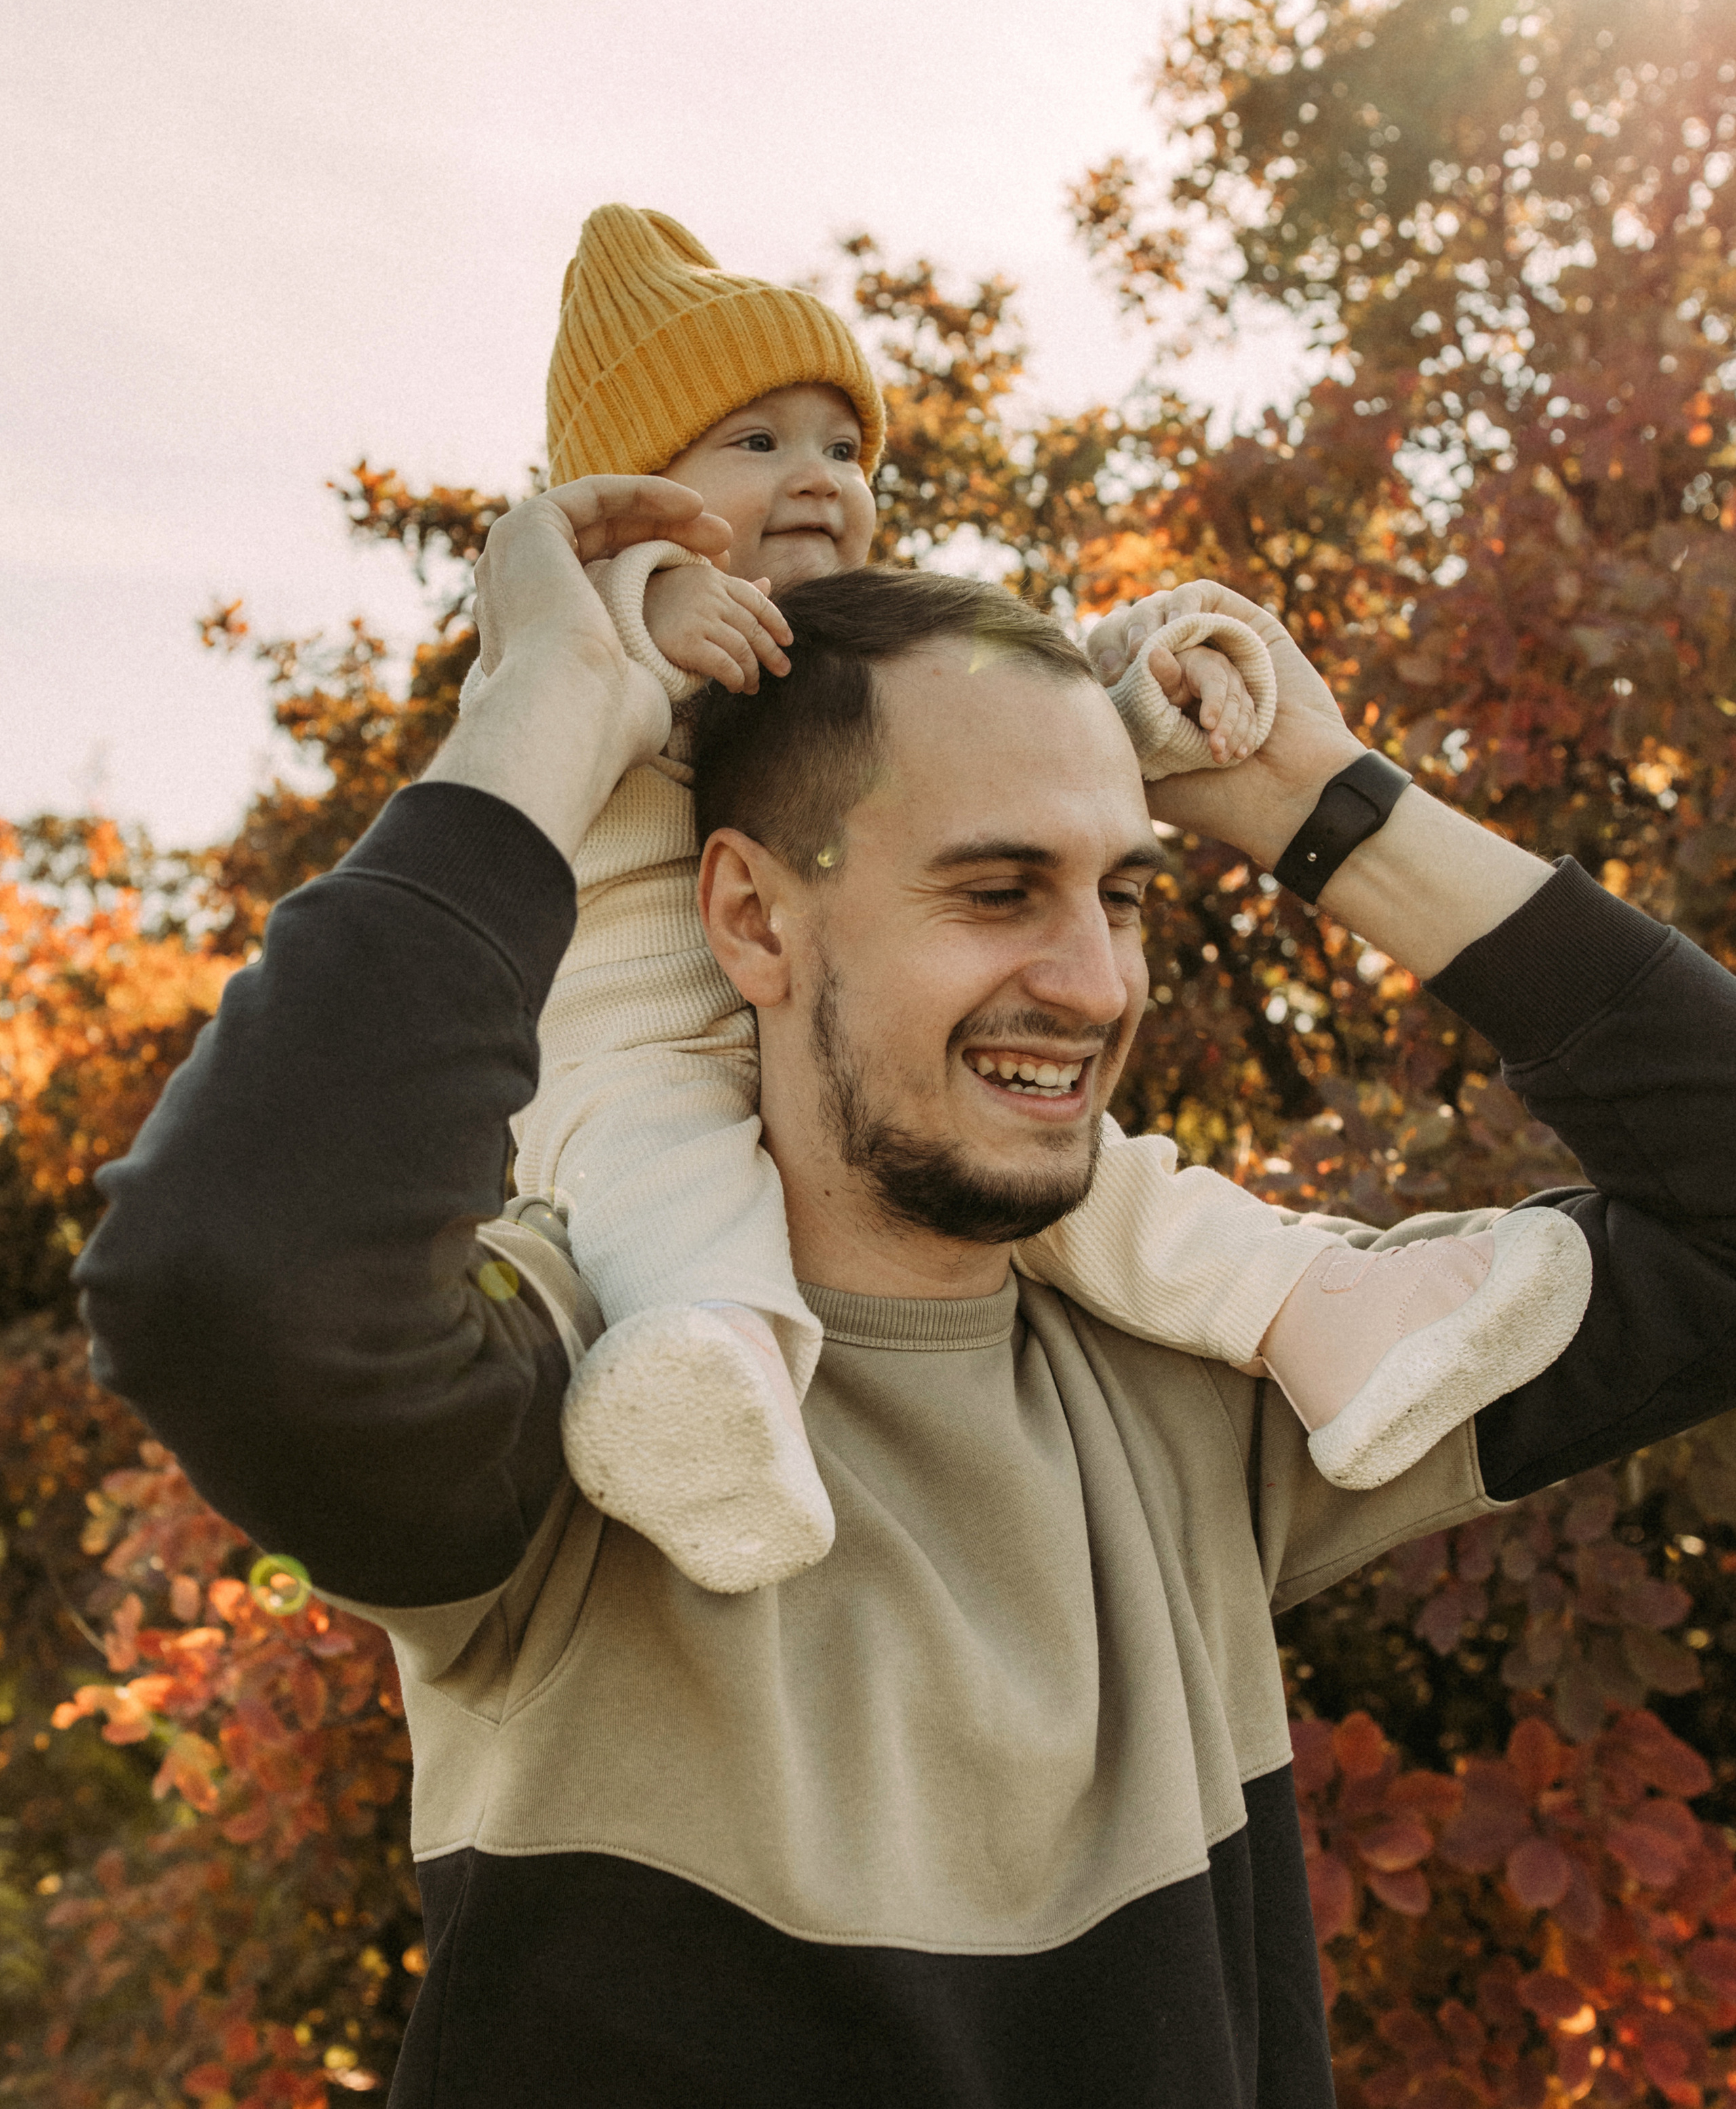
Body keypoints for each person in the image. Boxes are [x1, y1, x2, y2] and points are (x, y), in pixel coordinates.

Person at [75, 492, 1736, 2108]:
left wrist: (1319, 796)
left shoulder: (1210, 1377)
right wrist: (547, 714)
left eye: (1126, 895)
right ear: (746, 917)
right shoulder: (592, 1390)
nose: (1093, 983)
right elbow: (233, 1277)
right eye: (996, 890)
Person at [471, 202, 1588, 1592]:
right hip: (630, 1045)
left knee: (1085, 1175)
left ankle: (1323, 1319)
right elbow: (537, 655)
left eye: (837, 442)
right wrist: (642, 597)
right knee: (663, 1186)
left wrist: (1146, 713)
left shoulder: (846, 655)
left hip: (829, 1044)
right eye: (753, 444)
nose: (812, 475)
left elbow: (976, 776)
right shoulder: (591, 616)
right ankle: (710, 1397)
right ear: (632, 492)